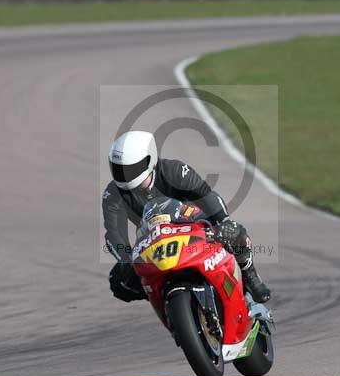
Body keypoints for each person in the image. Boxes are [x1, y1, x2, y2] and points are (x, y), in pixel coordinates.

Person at [102, 130, 271, 304]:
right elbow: (114, 234)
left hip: (195, 228)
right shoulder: (112, 194)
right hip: (155, 242)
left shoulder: (174, 170)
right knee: (119, 281)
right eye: (119, 169)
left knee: (235, 232)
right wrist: (127, 260)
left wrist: (223, 221)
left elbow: (207, 196)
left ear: (149, 159)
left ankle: (249, 275)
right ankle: (166, 298)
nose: (124, 175)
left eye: (130, 169)